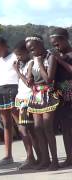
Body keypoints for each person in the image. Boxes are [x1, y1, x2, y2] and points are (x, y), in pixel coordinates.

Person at [26, 35, 60, 170]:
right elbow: (30, 79)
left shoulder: (50, 57)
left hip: (49, 94)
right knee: (38, 128)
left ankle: (55, 161)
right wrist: (29, 77)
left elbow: (49, 79)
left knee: (48, 128)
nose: (31, 52)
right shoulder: (32, 61)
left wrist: (40, 64)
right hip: (36, 95)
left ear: (40, 44)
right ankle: (45, 160)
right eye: (29, 50)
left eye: (33, 49)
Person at [0, 37, 19, 165]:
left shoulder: (15, 56)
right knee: (6, 125)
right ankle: (8, 156)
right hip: (1, 91)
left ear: (5, 45)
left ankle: (33, 155)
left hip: (13, 90)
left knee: (21, 124)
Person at [13, 40, 40, 170]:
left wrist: (17, 71)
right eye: (16, 55)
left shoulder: (30, 63)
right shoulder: (24, 64)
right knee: (30, 130)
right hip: (22, 99)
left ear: (26, 52)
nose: (18, 57)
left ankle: (31, 157)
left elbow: (29, 83)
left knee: (24, 129)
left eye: (19, 54)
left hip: (28, 99)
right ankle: (37, 157)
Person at [50, 28, 72, 167]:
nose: (56, 47)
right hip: (60, 94)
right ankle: (70, 157)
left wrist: (59, 60)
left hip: (70, 90)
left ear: (65, 39)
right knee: (65, 127)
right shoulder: (56, 56)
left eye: (57, 44)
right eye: (53, 45)